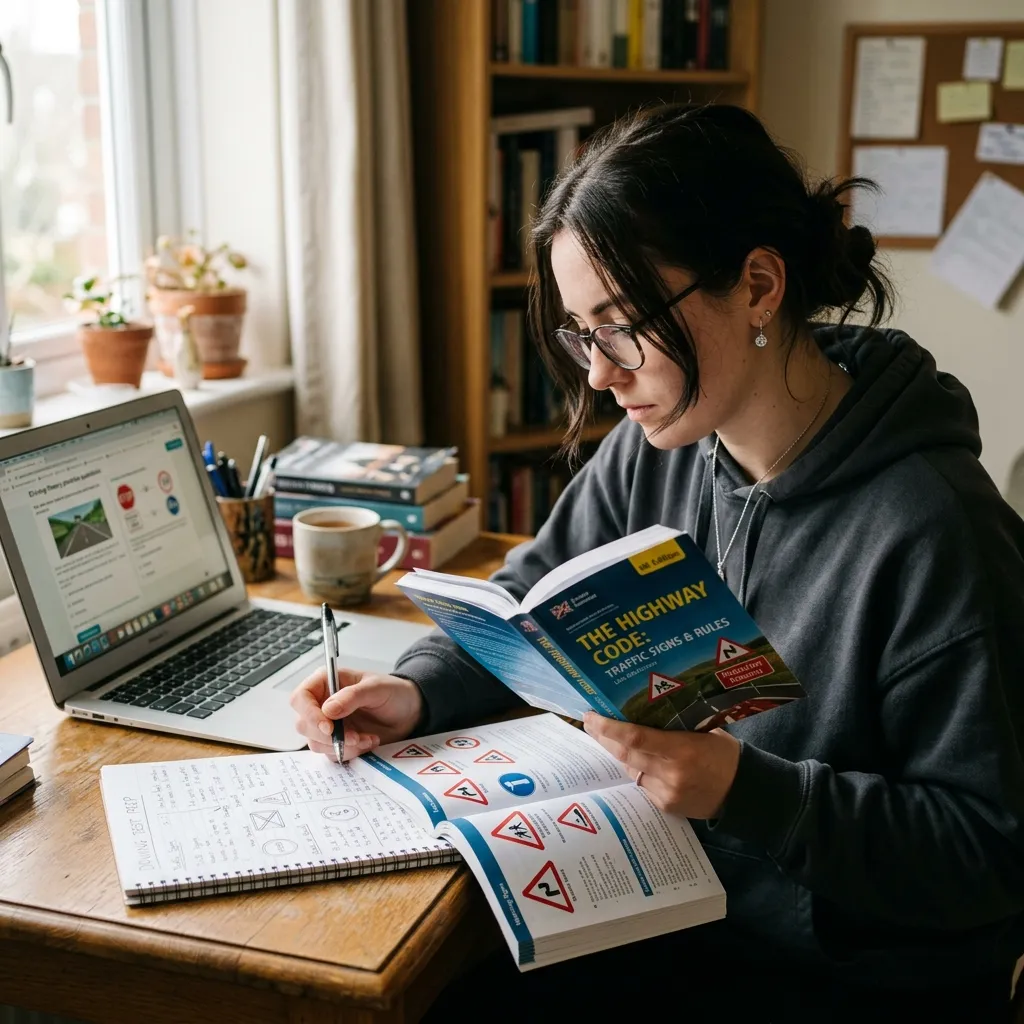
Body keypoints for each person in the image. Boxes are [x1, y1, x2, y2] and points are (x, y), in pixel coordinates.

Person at [291, 104, 1024, 1022]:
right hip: (671, 909)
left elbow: (994, 852)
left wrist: (749, 792)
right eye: (580, 333)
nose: (599, 375)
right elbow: (527, 604)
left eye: (622, 325)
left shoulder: (938, 530)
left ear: (758, 285)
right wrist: (418, 690)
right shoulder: (660, 451)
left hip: (842, 980)